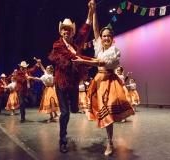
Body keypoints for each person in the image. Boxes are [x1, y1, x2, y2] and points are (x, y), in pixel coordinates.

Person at [72, 5, 135, 156]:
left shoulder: (114, 51)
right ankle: (109, 141)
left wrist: (83, 61)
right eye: (104, 36)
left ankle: (109, 142)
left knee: (108, 113)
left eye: (108, 36)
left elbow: (100, 63)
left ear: (112, 39)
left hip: (110, 82)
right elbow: (95, 28)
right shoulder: (100, 49)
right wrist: (93, 11)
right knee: (101, 111)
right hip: (99, 81)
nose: (105, 38)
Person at [48, 1, 94, 153]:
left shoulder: (75, 44)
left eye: (69, 30)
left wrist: (90, 11)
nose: (66, 32)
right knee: (65, 112)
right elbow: (73, 57)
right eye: (64, 30)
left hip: (73, 83)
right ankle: (63, 139)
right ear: (61, 32)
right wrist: (95, 62)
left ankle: (72, 109)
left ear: (72, 32)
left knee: (73, 109)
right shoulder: (57, 45)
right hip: (61, 83)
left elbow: (85, 31)